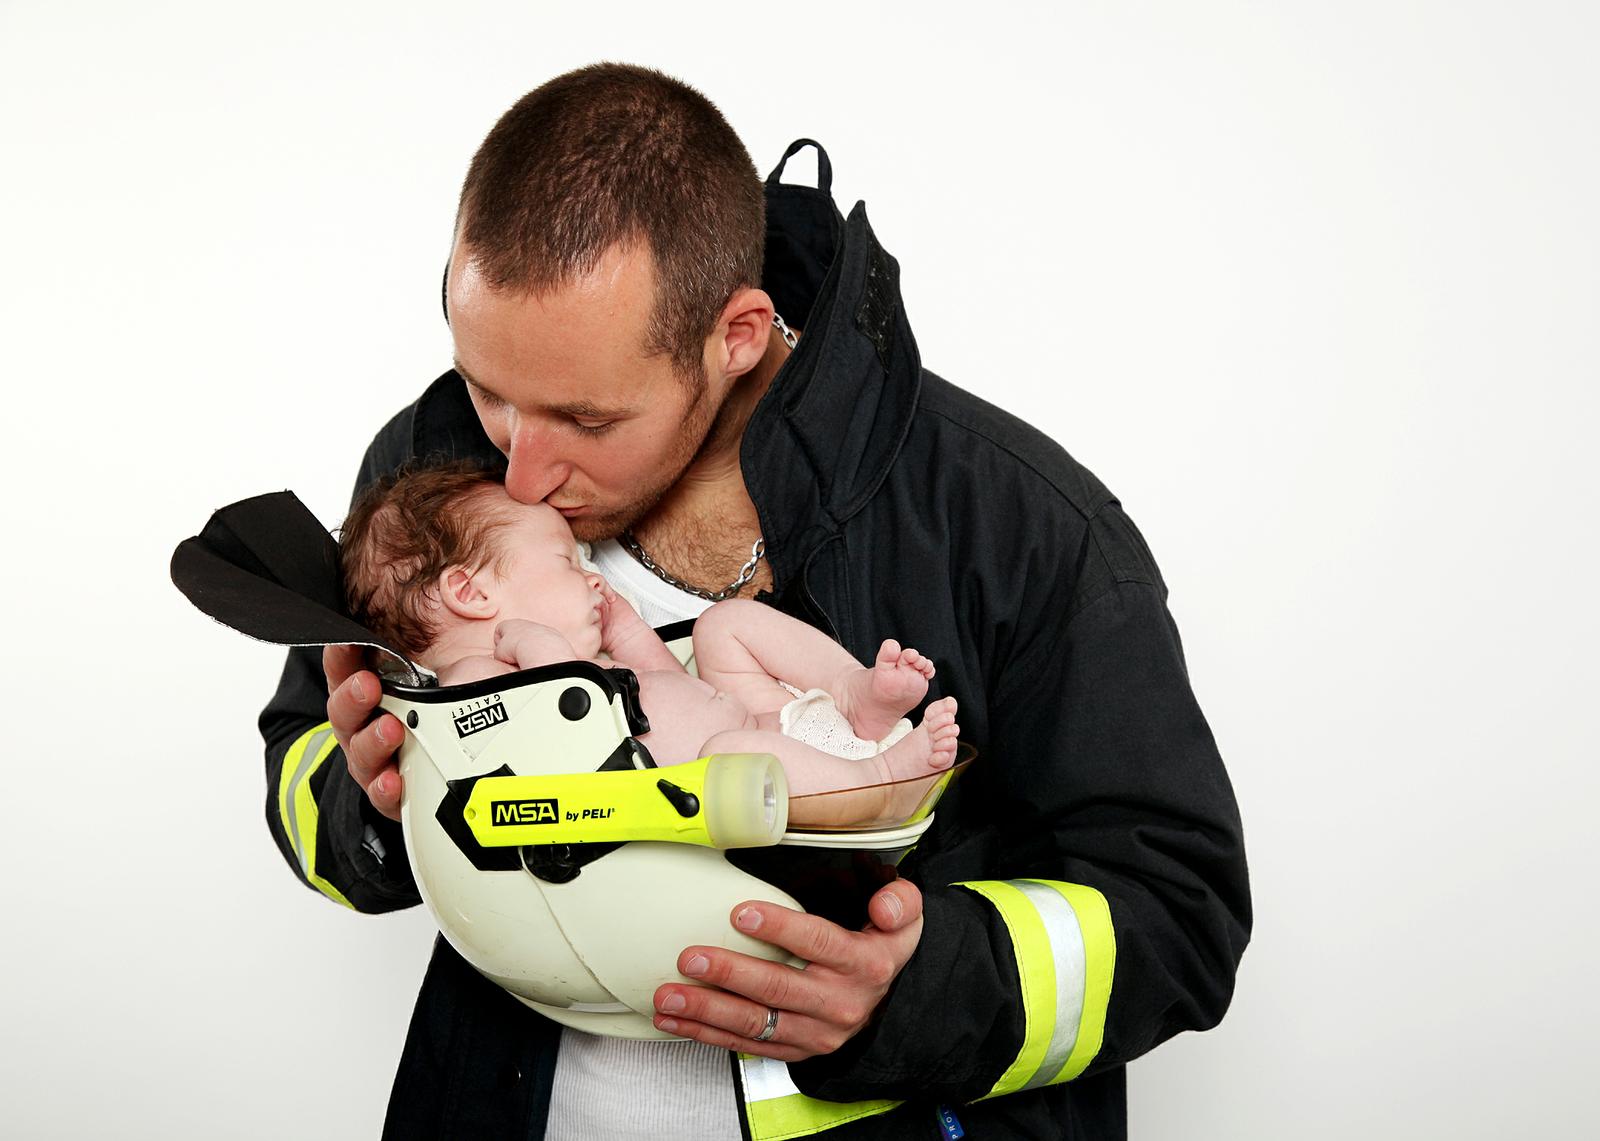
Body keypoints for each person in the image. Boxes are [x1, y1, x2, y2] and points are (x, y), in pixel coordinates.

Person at [258, 63, 1251, 1139]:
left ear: (736, 334)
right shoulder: (428, 477)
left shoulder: (1011, 519)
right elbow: (302, 778)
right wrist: (372, 800)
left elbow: (1181, 908)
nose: (521, 470)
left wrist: (912, 991)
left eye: (585, 420)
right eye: (488, 389)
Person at [337, 461, 961, 816]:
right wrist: (538, 645)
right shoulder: (469, 688)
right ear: (471, 594)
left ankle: (851, 693)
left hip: (768, 721)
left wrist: (627, 629)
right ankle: (880, 778)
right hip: (743, 792)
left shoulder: (582, 654)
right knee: (731, 753)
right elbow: (561, 720)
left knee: (723, 624)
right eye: (566, 561)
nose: (592, 577)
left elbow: (663, 678)